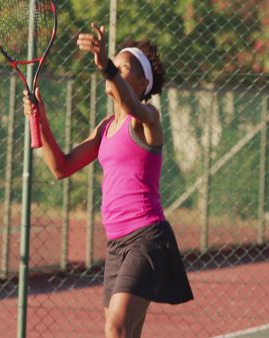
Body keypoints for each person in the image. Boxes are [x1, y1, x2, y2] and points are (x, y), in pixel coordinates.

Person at [23, 22, 193, 338]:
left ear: (143, 83)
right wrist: (41, 120)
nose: (113, 68)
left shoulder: (148, 119)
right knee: (124, 334)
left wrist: (105, 65)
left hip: (147, 238)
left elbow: (130, 104)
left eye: (122, 66)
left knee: (115, 328)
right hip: (116, 245)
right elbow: (60, 167)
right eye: (113, 62)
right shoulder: (104, 129)